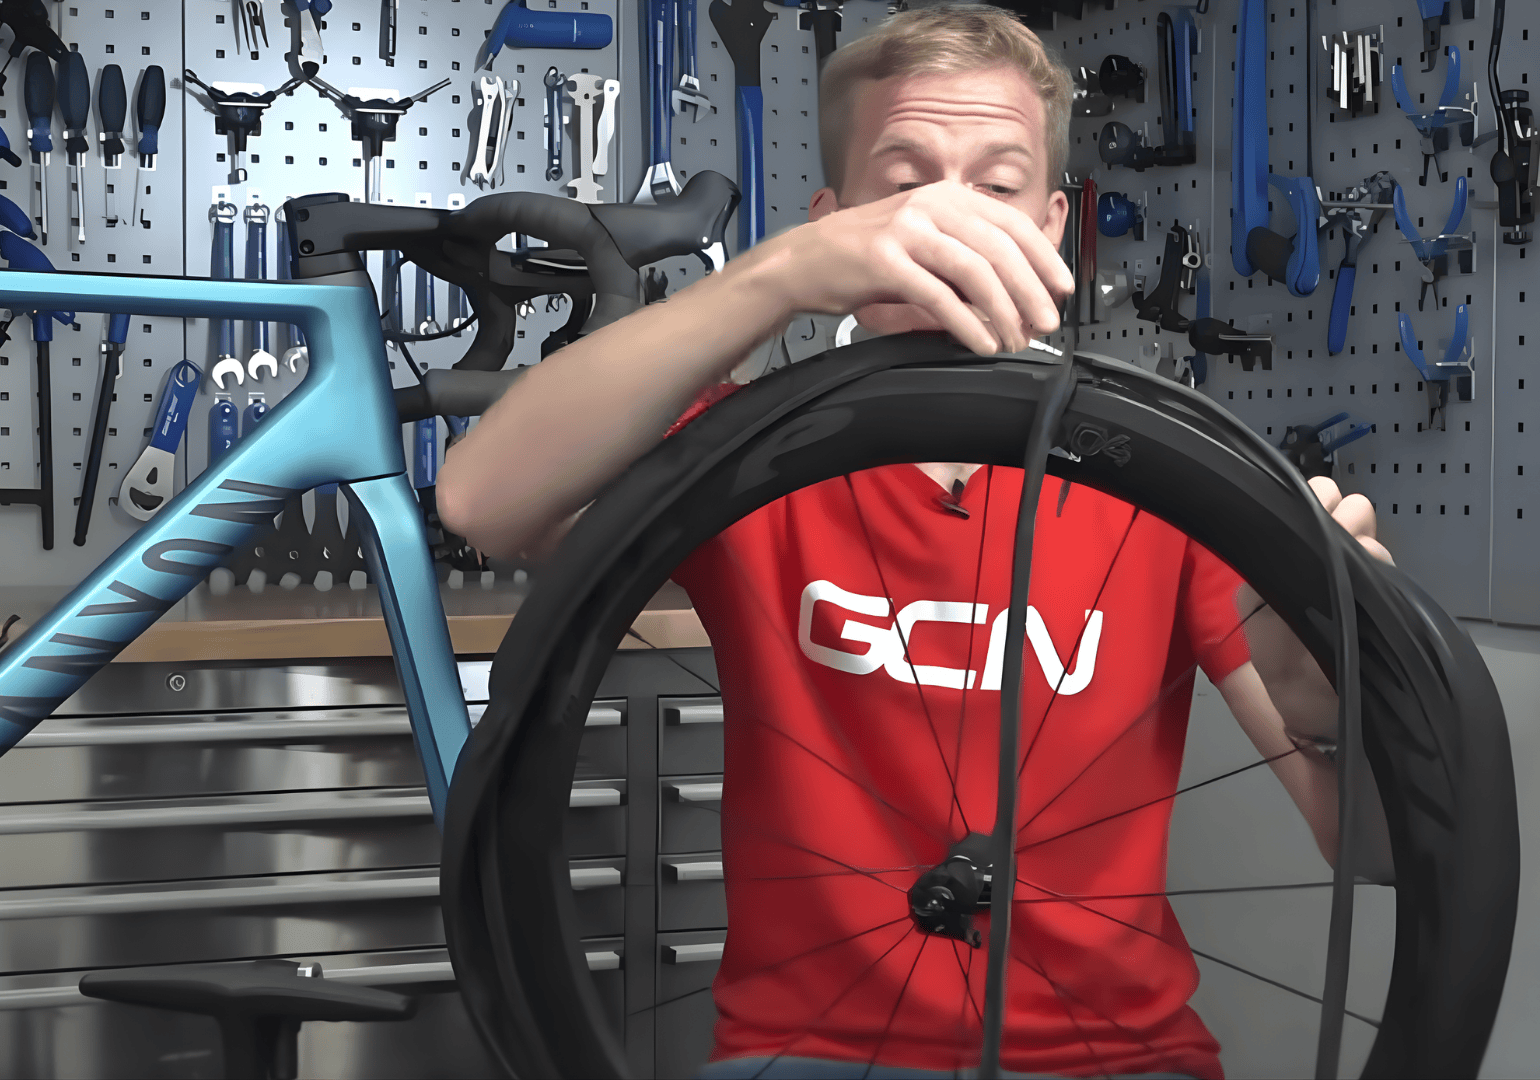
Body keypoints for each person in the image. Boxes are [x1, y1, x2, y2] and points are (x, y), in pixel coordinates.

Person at [439, 6, 1393, 1077]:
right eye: (906, 184)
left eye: (994, 186)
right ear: (833, 215)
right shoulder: (750, 456)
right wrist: (777, 275)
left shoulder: (1165, 480)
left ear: (1051, 222)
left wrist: (1340, 711)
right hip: (806, 1057)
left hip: (1114, 1062)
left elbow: (1379, 855)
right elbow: (482, 498)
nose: (950, 218)